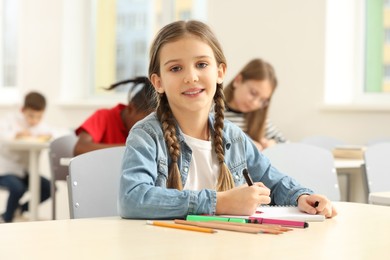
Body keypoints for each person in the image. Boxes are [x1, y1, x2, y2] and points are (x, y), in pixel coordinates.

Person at [118, 20, 337, 219]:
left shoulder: (232, 136)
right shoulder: (146, 136)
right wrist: (219, 202)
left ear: (220, 72)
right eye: (175, 68)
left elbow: (275, 181)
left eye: (202, 64)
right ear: (158, 82)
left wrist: (302, 197)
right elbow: (133, 199)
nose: (191, 77)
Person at [0, 91, 52, 223]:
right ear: (23, 110)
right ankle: (7, 221)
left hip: (25, 172)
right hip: (5, 171)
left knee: (49, 187)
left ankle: (18, 209)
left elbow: (53, 133)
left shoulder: (41, 126)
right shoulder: (10, 121)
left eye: (39, 117)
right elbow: (3, 135)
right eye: (31, 116)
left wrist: (47, 135)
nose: (34, 120)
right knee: (18, 188)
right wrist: (16, 134)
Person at [73, 76, 156, 155]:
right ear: (131, 109)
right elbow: (80, 148)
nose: (148, 130)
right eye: (145, 123)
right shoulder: (103, 116)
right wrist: (133, 147)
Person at [224, 58, 286, 150]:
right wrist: (247, 146)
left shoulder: (260, 120)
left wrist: (272, 145)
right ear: (238, 80)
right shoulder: (212, 111)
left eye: (263, 100)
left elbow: (286, 145)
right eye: (253, 93)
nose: (255, 103)